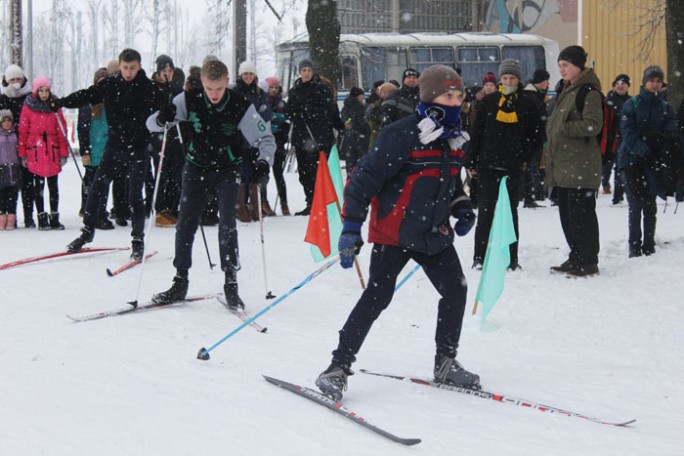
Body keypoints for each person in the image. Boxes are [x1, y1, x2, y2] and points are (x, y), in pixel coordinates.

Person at [315, 65, 479, 402]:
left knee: (456, 289)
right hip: (396, 231)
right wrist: (350, 228)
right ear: (431, 98)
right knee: (377, 296)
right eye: (449, 95)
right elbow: (360, 184)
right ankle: (337, 367)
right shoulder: (401, 135)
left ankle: (445, 361)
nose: (457, 102)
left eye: (460, 96)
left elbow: (449, 184)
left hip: (433, 232)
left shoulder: (454, 137)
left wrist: (461, 206)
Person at [147, 58, 275, 308]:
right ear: (202, 83)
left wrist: (263, 163)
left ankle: (230, 283)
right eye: (209, 88)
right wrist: (163, 118)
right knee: (185, 223)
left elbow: (266, 138)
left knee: (227, 223)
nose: (214, 94)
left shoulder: (240, 104)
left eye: (218, 89)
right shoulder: (188, 99)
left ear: (227, 82)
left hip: (228, 169)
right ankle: (180, 280)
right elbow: (152, 124)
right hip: (195, 167)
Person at [56, 48, 162, 259]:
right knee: (97, 187)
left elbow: (164, 106)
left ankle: (137, 239)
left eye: (132, 68)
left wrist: (167, 114)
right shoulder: (111, 84)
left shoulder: (148, 87)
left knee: (135, 195)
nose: (129, 72)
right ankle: (86, 232)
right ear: (120, 66)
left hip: (138, 148)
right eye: (125, 68)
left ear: (139, 66)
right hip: (114, 146)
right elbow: (87, 95)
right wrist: (60, 102)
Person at [466, 60, 544, 271]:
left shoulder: (528, 103)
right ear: (500, 79)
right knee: (486, 212)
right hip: (488, 165)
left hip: (513, 166)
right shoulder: (488, 102)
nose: (508, 82)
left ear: (519, 80)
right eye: (505, 78)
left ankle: (512, 258)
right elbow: (476, 133)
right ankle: (479, 257)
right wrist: (471, 159)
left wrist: (526, 157)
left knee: (510, 213)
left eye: (513, 78)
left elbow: (535, 135)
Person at [545, 45, 603, 277]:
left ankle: (588, 260)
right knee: (568, 216)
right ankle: (576, 255)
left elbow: (593, 124)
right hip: (564, 166)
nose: (562, 70)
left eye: (566, 65)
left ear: (578, 66)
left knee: (582, 217)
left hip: (581, 166)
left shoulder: (588, 92)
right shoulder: (565, 91)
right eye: (560, 66)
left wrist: (565, 128)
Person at [617, 65, 677, 258]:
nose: (655, 84)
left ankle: (649, 244)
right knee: (635, 205)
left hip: (653, 162)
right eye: (652, 80)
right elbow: (628, 133)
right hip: (632, 160)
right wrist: (645, 149)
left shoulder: (665, 107)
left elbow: (671, 132)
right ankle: (634, 245)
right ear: (644, 82)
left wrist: (658, 146)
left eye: (659, 81)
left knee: (650, 204)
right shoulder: (632, 104)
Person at [284, 59, 343, 215]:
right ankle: (310, 201)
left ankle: (319, 202)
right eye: (304, 70)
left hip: (318, 138)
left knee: (315, 171)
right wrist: (294, 113)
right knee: (304, 173)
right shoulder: (294, 90)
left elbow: (329, 110)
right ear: (300, 72)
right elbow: (288, 111)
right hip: (301, 136)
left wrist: (309, 112)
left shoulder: (321, 89)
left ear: (312, 72)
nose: (306, 73)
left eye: (309, 70)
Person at [18, 77, 69, 230]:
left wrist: (63, 153)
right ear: (36, 91)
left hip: (52, 151)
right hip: (36, 152)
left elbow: (61, 130)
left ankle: (54, 217)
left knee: (53, 187)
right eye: (41, 90)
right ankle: (41, 217)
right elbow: (23, 131)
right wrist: (23, 155)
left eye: (46, 90)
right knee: (38, 187)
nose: (44, 94)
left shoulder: (54, 106)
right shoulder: (28, 107)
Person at [234, 61, 273, 222]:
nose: (248, 77)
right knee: (242, 173)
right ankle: (241, 207)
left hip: (255, 139)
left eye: (250, 74)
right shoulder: (235, 92)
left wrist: (255, 119)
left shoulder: (259, 93)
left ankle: (255, 207)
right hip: (240, 139)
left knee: (255, 173)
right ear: (241, 75)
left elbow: (266, 113)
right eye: (245, 74)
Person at [77, 68, 115, 230]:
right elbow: (82, 129)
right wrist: (85, 150)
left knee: (104, 184)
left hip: (107, 150)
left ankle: (100, 212)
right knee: (91, 183)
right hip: (93, 150)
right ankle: (92, 213)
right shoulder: (88, 102)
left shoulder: (113, 100)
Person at [149, 54, 185, 228]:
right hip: (159, 136)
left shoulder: (176, 88)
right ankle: (159, 208)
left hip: (174, 136)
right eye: (164, 70)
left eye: (170, 70)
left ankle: (172, 206)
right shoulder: (153, 88)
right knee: (162, 173)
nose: (167, 73)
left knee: (176, 173)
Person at [0, 64, 35, 228]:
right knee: (6, 185)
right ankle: (6, 216)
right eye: (12, 79)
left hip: (26, 145)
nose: (15, 82)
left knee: (28, 183)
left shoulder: (29, 97)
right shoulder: (3, 98)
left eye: (18, 79)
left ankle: (29, 216)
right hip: (5, 148)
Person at [522, 69, 551, 208]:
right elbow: (537, 117)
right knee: (531, 167)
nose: (548, 84)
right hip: (532, 137)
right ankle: (529, 196)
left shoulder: (534, 95)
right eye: (547, 80)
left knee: (533, 167)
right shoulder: (532, 96)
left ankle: (532, 195)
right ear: (542, 81)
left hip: (534, 136)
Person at [265, 75, 291, 215]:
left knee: (278, 174)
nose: (274, 90)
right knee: (264, 175)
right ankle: (264, 203)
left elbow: (287, 124)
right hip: (264, 143)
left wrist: (281, 131)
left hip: (278, 143)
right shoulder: (263, 102)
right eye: (271, 87)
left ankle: (284, 203)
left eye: (276, 87)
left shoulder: (282, 104)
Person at [607, 74, 631, 204]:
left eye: (624, 84)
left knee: (620, 166)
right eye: (618, 84)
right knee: (606, 167)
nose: (621, 86)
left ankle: (618, 194)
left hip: (624, 137)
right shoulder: (608, 100)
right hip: (610, 137)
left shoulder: (631, 101)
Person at [340, 87, 370, 175]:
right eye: (362, 95)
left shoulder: (345, 107)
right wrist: (367, 132)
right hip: (360, 138)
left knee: (350, 162)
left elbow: (343, 121)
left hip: (348, 138)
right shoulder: (360, 108)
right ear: (357, 96)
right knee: (361, 162)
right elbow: (363, 123)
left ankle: (350, 181)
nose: (363, 97)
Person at [0, 109, 21, 230]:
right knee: (2, 196)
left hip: (13, 167)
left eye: (9, 120)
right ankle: (2, 219)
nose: (7, 123)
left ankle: (11, 220)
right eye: (4, 121)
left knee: (12, 196)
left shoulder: (15, 134)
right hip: (1, 167)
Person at [364, 82, 397, 149]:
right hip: (380, 143)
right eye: (387, 92)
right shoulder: (376, 107)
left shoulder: (396, 105)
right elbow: (374, 125)